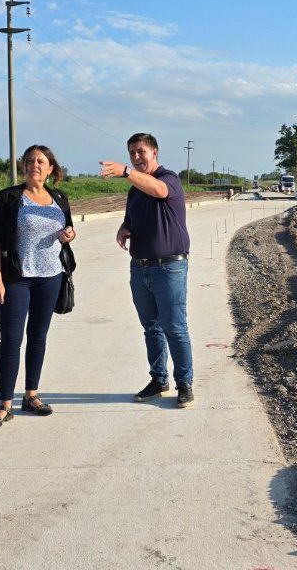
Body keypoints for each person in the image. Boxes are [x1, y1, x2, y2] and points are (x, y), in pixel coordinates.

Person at [99, 133, 195, 408]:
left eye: (141, 151)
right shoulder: (134, 191)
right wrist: (124, 228)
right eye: (132, 153)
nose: (136, 157)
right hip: (140, 269)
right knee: (151, 328)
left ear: (155, 152)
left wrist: (125, 171)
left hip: (169, 268)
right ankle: (159, 379)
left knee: (175, 328)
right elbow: (132, 219)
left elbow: (159, 191)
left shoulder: (169, 178)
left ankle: (185, 384)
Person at [0, 145, 76, 430]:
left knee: (38, 336)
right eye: (29, 161)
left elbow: (68, 231)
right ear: (24, 167)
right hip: (17, 278)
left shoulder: (59, 198)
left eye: (41, 161)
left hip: (51, 277)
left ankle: (31, 395)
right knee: (11, 340)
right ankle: (5, 404)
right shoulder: (10, 198)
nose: (34, 164)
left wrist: (68, 236)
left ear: (51, 168)